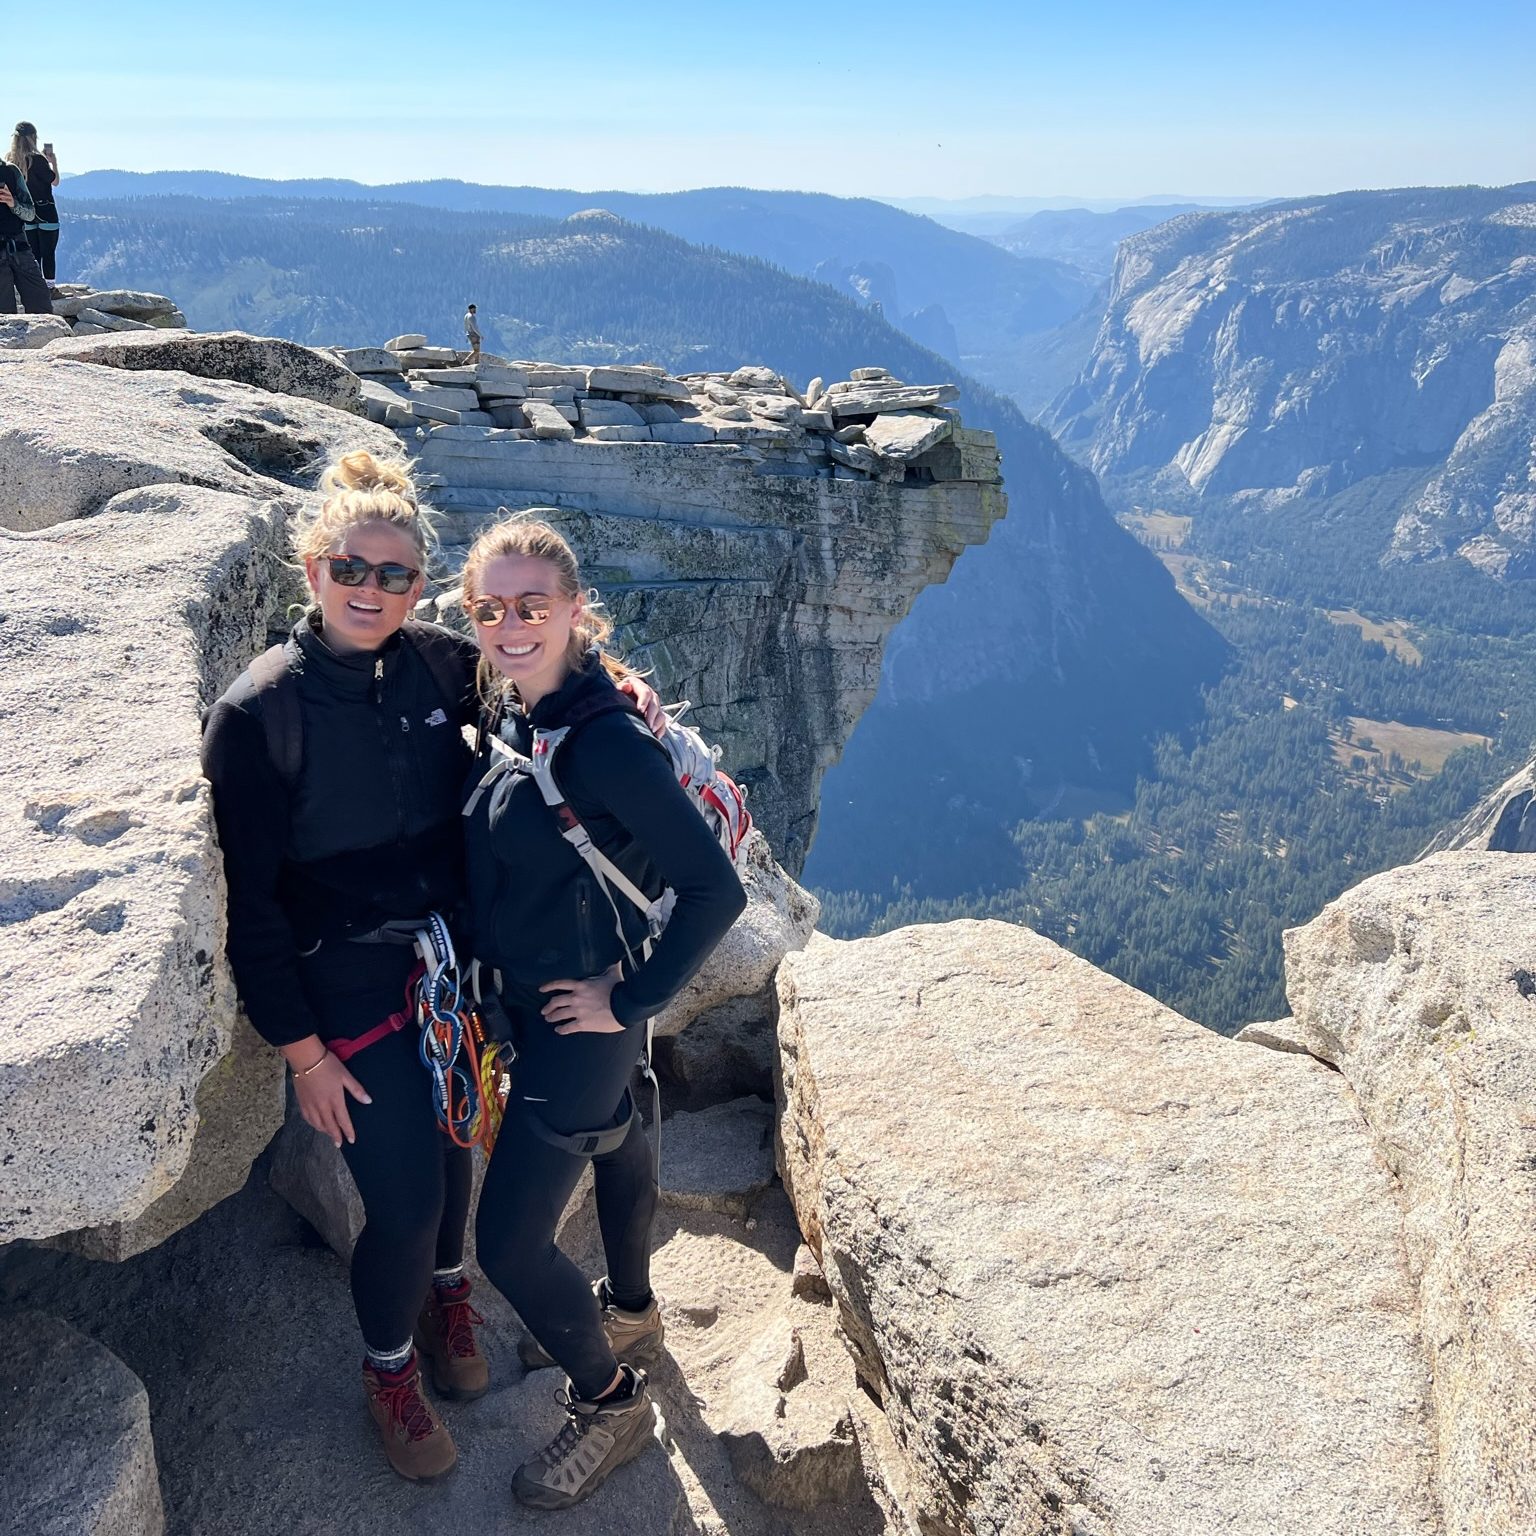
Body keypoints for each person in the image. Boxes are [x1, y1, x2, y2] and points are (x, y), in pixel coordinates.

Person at [200, 451, 490, 1484]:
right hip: (344, 982)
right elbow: (253, 906)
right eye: (349, 569)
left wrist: (620, 700)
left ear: (420, 585)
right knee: (403, 1199)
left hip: (448, 964)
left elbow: (544, 691)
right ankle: (389, 1370)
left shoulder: (446, 668)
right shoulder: (259, 715)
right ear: (312, 569)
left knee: (454, 1142)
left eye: (394, 575)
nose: (370, 590)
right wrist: (304, 1055)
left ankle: (448, 1291)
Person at [460, 515, 747, 1509]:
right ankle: (629, 1311)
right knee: (620, 1128)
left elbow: (715, 893)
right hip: (552, 1004)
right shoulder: (524, 709)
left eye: (531, 606)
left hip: (583, 1017)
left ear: (575, 610)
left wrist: (628, 998)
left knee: (507, 1245)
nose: (508, 625)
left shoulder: (606, 743)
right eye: (489, 608)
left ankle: (611, 1402)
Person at [0, 139, 48, 315]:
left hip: (20, 248)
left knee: (41, 304)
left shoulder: (10, 171)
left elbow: (30, 214)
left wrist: (13, 203)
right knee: (5, 313)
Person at [8, 123, 58, 283]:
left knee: (33, 254)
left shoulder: (10, 161)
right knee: (48, 253)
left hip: (24, 212)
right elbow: (54, 181)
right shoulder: (38, 160)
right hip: (46, 210)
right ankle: (50, 287)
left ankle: (35, 288)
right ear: (33, 138)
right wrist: (53, 163)